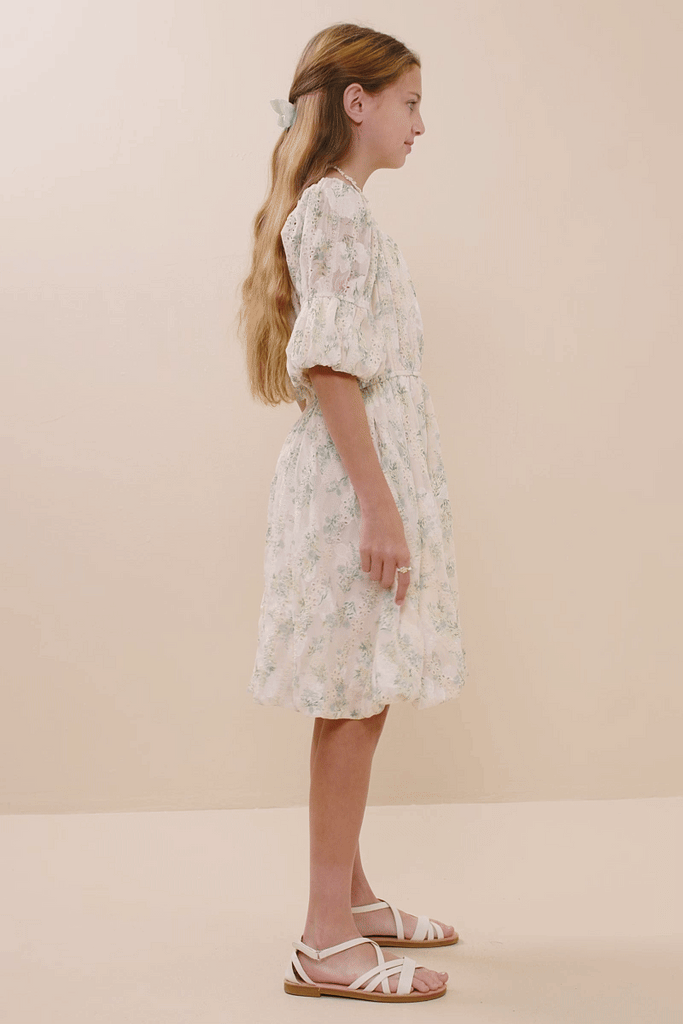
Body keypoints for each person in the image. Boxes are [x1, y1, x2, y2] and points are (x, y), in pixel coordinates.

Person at [237, 22, 467, 1003]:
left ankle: (352, 896)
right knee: (352, 699)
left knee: (359, 690)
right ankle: (323, 940)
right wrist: (378, 507)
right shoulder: (332, 208)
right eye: (408, 102)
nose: (420, 123)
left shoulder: (342, 209)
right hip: (349, 490)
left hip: (360, 481)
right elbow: (332, 367)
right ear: (357, 102)